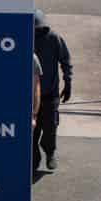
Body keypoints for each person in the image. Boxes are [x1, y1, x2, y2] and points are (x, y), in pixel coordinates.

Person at [33, 10, 71, 174]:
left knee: (50, 127)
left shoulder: (54, 38)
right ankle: (33, 159)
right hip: (31, 95)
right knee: (32, 131)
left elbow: (65, 60)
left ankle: (50, 153)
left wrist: (68, 81)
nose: (38, 32)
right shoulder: (23, 38)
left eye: (40, 29)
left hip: (50, 94)